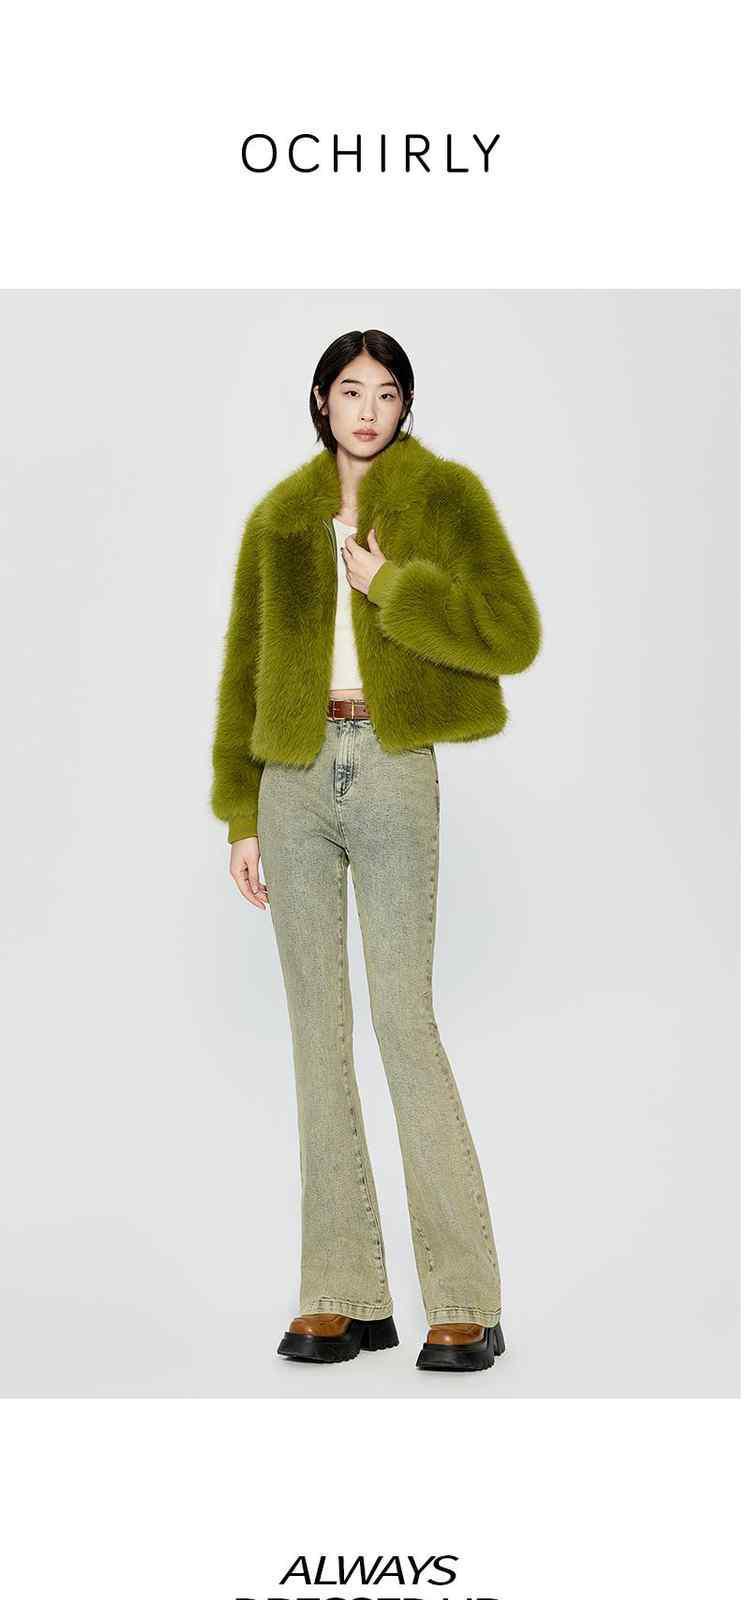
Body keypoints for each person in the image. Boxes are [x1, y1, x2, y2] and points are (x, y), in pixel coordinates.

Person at [210, 328, 542, 1372]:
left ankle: (466, 1299)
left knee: (403, 1022)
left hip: (393, 765)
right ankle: (341, 1294)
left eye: (386, 392)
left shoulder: (445, 498)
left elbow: (512, 634)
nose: (367, 409)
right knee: (317, 1033)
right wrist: (241, 813)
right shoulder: (279, 519)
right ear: (321, 399)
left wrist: (393, 584)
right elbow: (244, 668)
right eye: (350, 390)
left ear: (405, 405)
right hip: (292, 775)